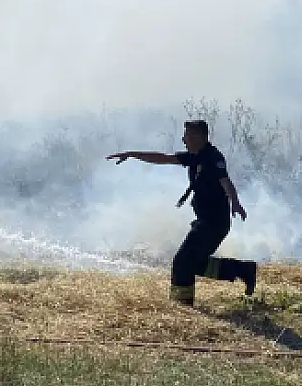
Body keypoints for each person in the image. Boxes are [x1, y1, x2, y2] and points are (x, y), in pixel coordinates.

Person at [108, 120, 257, 304]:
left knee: (182, 262)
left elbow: (225, 181)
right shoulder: (194, 156)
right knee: (194, 262)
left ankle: (182, 305)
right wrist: (132, 154)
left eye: (187, 135)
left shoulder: (213, 157)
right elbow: (164, 158)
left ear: (199, 136)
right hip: (205, 221)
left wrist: (235, 202)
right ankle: (243, 270)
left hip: (214, 223)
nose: (183, 139)